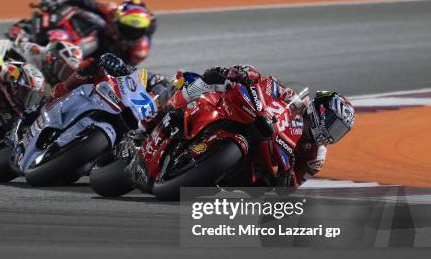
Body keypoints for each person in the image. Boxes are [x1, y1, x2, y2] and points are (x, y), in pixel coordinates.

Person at [127, 64, 355, 189]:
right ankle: (150, 123)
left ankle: (202, 174)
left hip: (258, 162)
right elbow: (269, 84)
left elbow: (293, 185)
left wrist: (286, 182)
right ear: (320, 111)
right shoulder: (293, 99)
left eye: (339, 132)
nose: (331, 134)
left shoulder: (317, 156)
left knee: (254, 188)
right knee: (205, 84)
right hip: (249, 118)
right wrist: (245, 73)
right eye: (333, 125)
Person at [8, 0, 157, 65]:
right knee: (76, 11)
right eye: (127, 28)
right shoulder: (111, 10)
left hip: (98, 60)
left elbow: (126, 70)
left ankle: (54, 56)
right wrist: (54, 0)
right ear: (117, 19)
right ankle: (35, 30)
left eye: (136, 31)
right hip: (92, 35)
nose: (131, 33)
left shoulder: (140, 49)